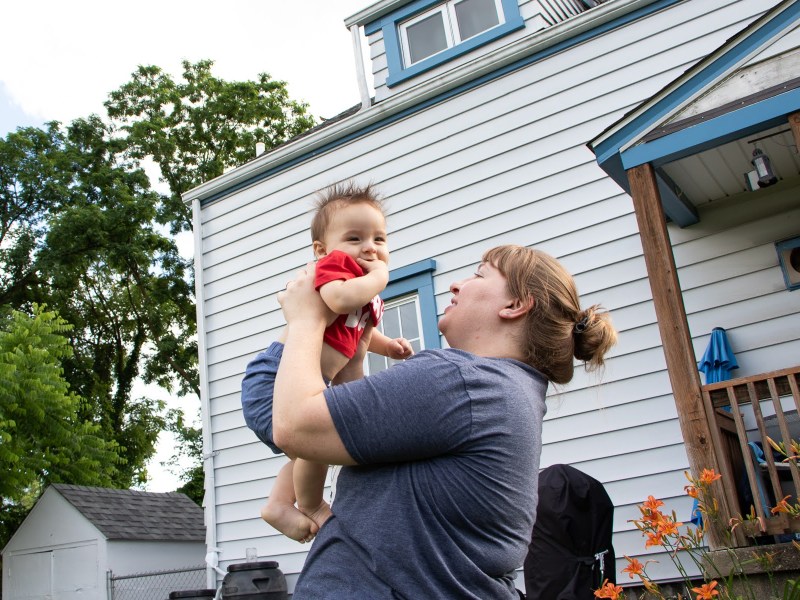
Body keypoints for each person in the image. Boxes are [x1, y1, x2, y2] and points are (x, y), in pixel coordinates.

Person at [241, 243, 617, 599]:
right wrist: (355, 356)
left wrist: (307, 317)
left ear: (515, 305)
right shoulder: (506, 391)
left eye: (479, 275)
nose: (457, 283)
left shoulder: (465, 381)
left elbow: (293, 427)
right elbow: (354, 442)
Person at [241, 182, 413, 544]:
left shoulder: (365, 290)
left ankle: (278, 504)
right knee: (312, 445)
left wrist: (389, 347)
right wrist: (380, 276)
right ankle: (313, 504)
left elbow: (356, 330)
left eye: (379, 239)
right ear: (322, 249)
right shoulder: (337, 269)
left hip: (307, 381)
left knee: (307, 449)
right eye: (354, 238)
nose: (369, 247)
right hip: (273, 380)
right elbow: (336, 301)